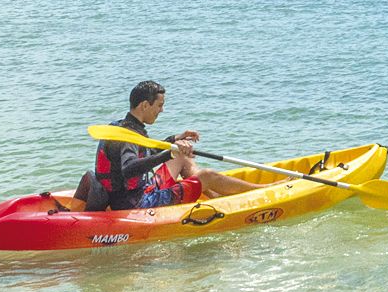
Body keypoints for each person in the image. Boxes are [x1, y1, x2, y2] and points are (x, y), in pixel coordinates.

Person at [90, 80, 270, 210]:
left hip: (138, 192)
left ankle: (215, 199)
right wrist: (169, 154)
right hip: (139, 203)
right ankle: (262, 192)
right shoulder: (128, 136)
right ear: (145, 105)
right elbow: (129, 169)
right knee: (207, 175)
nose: (161, 110)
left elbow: (146, 151)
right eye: (159, 105)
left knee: (182, 156)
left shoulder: (121, 126)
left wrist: (175, 140)